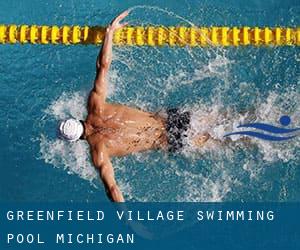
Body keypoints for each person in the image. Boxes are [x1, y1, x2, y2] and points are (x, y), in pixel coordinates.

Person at [58, 11, 210, 202]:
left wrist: (129, 221)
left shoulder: (99, 152)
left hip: (171, 140)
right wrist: (109, 33)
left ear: (76, 140)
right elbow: (103, 66)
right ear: (76, 119)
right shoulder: (95, 105)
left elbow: (112, 189)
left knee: (228, 141)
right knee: (226, 118)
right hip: (172, 118)